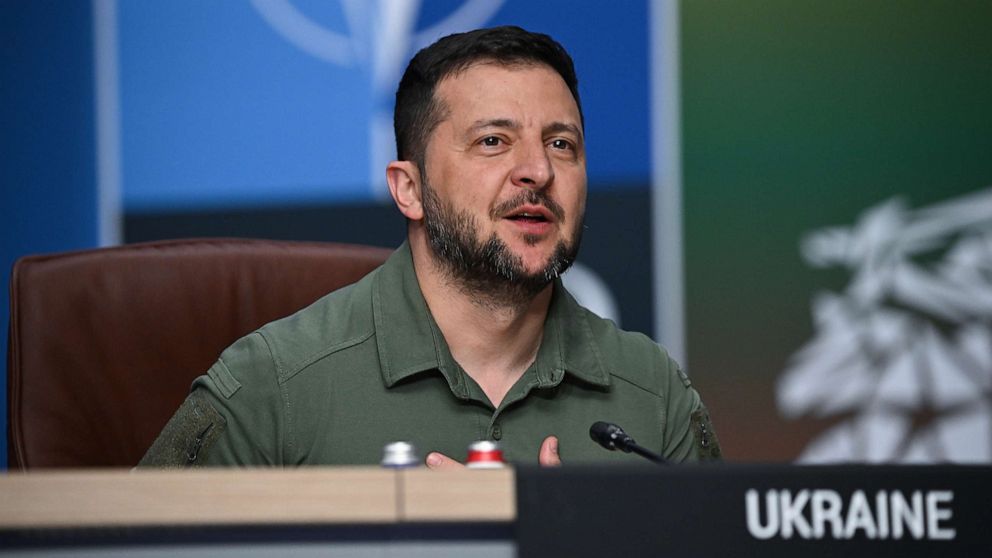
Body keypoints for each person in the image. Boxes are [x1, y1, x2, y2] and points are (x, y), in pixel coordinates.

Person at [140, 26, 720, 468]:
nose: (538, 171)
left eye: (561, 143)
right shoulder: (274, 386)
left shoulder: (652, 393)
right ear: (409, 189)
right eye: (493, 141)